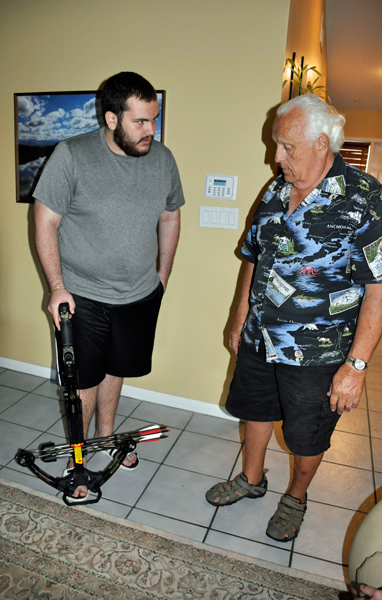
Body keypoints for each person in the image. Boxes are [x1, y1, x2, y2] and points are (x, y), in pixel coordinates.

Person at [206, 94, 382, 542]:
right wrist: (239, 312)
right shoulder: (275, 189)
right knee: (254, 410)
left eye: (287, 147)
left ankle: (296, 497)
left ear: (322, 143)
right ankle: (251, 479)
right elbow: (253, 254)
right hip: (259, 336)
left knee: (306, 434)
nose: (276, 157)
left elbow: (379, 288)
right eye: (275, 145)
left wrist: (356, 366)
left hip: (318, 350)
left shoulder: (365, 198)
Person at [33, 72, 185, 500]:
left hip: (139, 293)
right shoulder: (72, 155)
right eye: (140, 121)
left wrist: (164, 273)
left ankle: (106, 436)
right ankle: (78, 456)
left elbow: (170, 216)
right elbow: (45, 220)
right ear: (112, 118)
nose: (150, 131)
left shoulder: (162, 159)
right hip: (82, 295)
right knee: (82, 380)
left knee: (118, 368)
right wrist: (56, 286)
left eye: (154, 119)